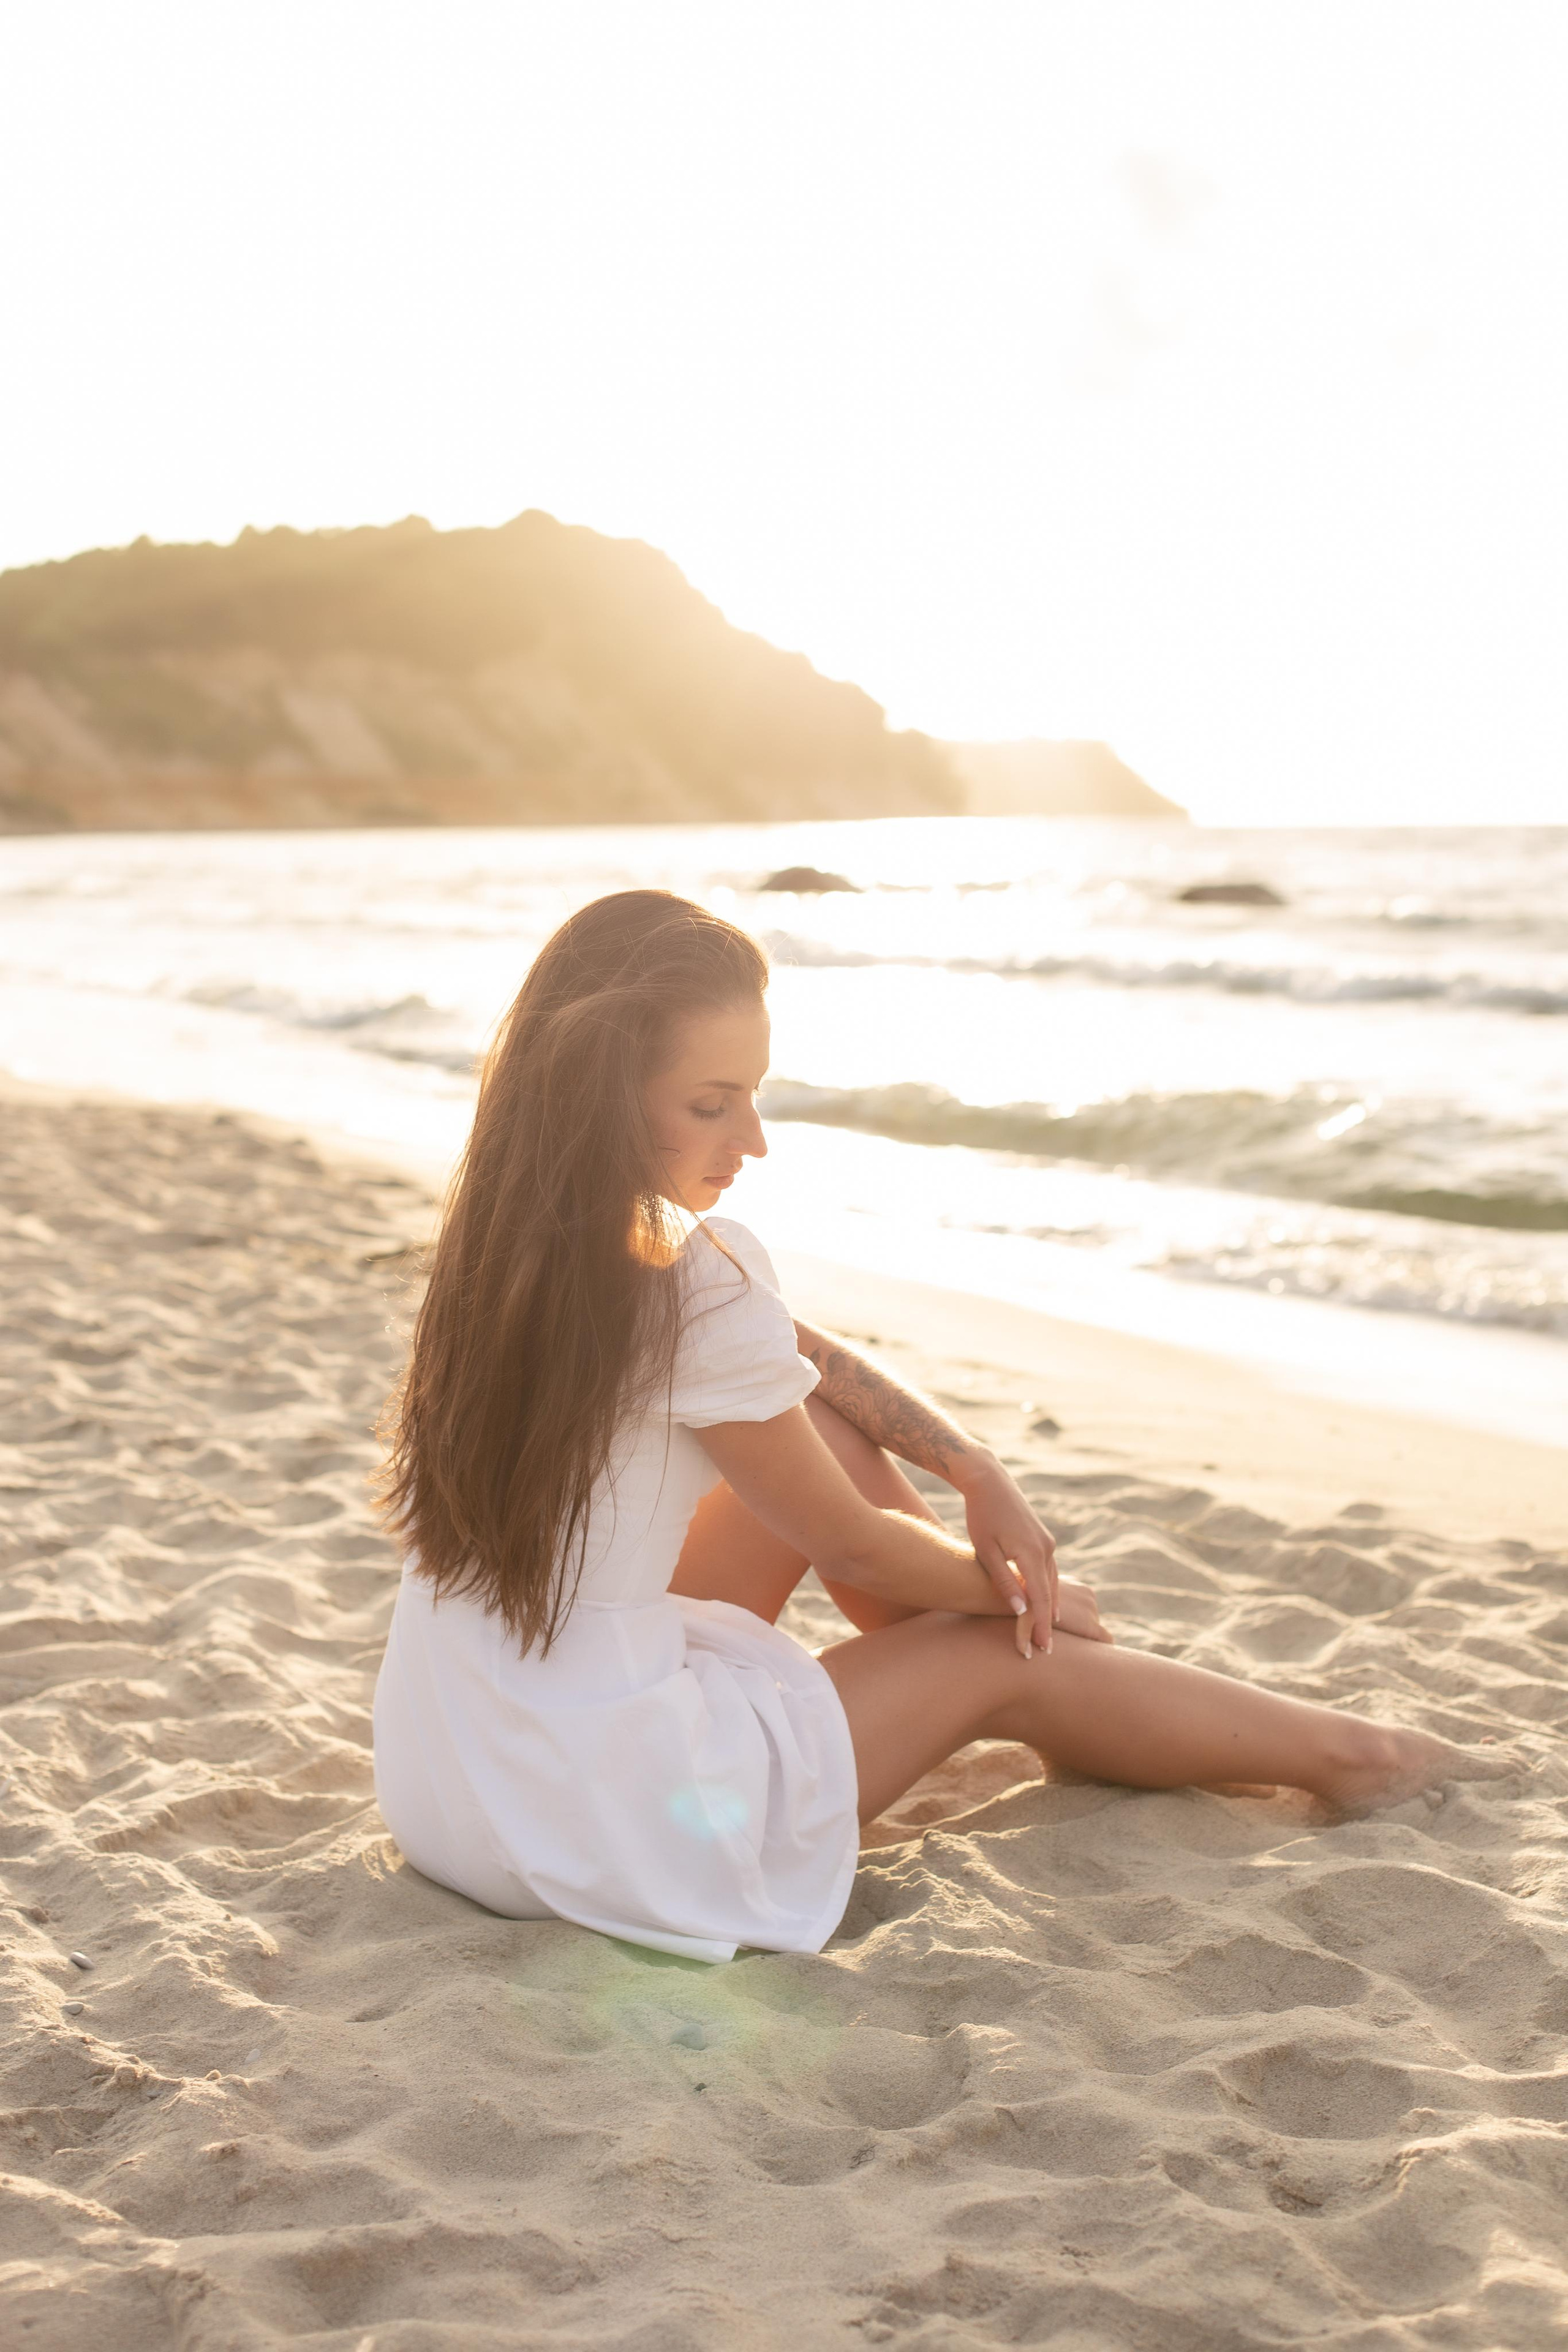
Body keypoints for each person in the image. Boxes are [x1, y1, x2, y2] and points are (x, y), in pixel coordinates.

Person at [373, 889, 1499, 1964]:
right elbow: (858, 1546)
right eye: (711, 1104)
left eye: (753, 1096)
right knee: (997, 1643)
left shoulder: (501, 1250)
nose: (753, 1140)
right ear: (597, 1094)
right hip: (601, 1832)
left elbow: (802, 1359)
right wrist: (1017, 1594)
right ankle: (1354, 1757)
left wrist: (971, 1464)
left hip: (452, 1784)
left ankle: (1060, 1695)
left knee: (844, 1446)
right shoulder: (696, 1281)